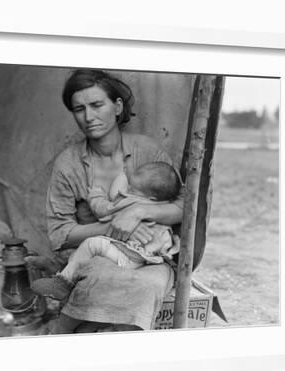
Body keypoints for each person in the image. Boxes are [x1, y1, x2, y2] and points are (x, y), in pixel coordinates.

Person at [44, 69, 184, 334]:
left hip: (149, 256)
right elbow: (58, 234)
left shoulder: (148, 150)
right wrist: (113, 228)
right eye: (79, 109)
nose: (88, 117)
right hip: (97, 255)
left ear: (117, 107)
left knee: (147, 286)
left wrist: (139, 212)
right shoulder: (68, 163)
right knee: (99, 280)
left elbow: (184, 206)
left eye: (97, 105)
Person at [33, 161, 181, 301]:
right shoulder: (162, 205)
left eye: (132, 189)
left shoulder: (132, 202)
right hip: (148, 256)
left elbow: (103, 209)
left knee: (91, 244)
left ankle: (63, 283)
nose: (126, 190)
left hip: (130, 258)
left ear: (151, 197)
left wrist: (96, 194)